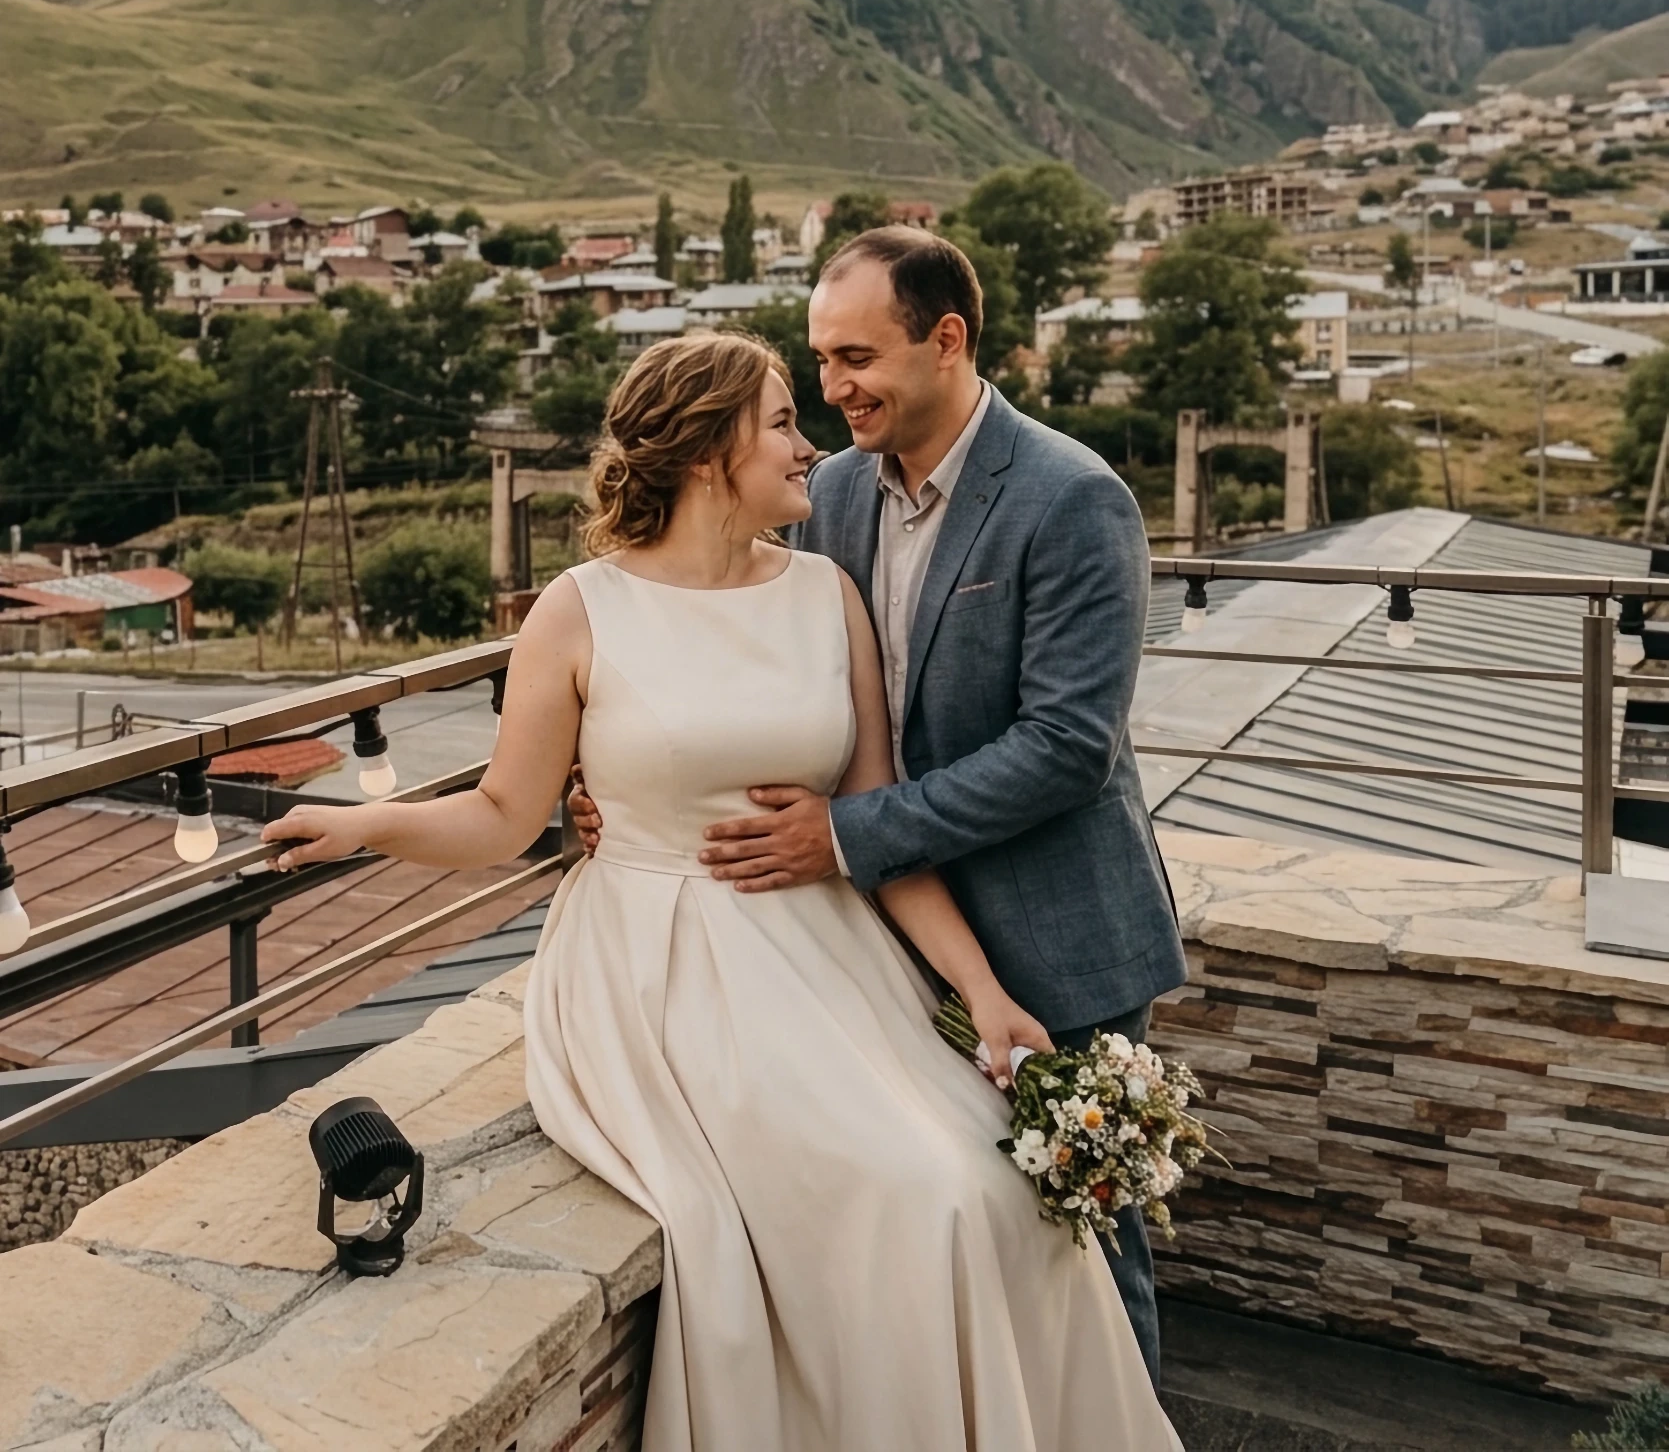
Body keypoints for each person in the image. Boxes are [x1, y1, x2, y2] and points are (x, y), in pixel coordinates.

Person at [264, 330, 1180, 1452]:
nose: (813, 446)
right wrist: (364, 824)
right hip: (663, 969)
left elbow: (877, 825)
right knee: (922, 1193)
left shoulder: (823, 592)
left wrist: (982, 992)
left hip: (833, 959)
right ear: (707, 452)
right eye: (784, 420)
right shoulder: (576, 609)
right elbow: (505, 815)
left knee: (993, 1187)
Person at [573, 227, 1187, 1386]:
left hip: (1052, 932)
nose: (831, 389)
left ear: (945, 340)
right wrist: (610, 785)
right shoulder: (829, 495)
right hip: (878, 946)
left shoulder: (1073, 498)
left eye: (856, 357)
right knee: (947, 1227)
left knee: (1089, 1253)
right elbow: (714, 652)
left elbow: (1067, 747)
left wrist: (845, 835)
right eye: (819, 362)